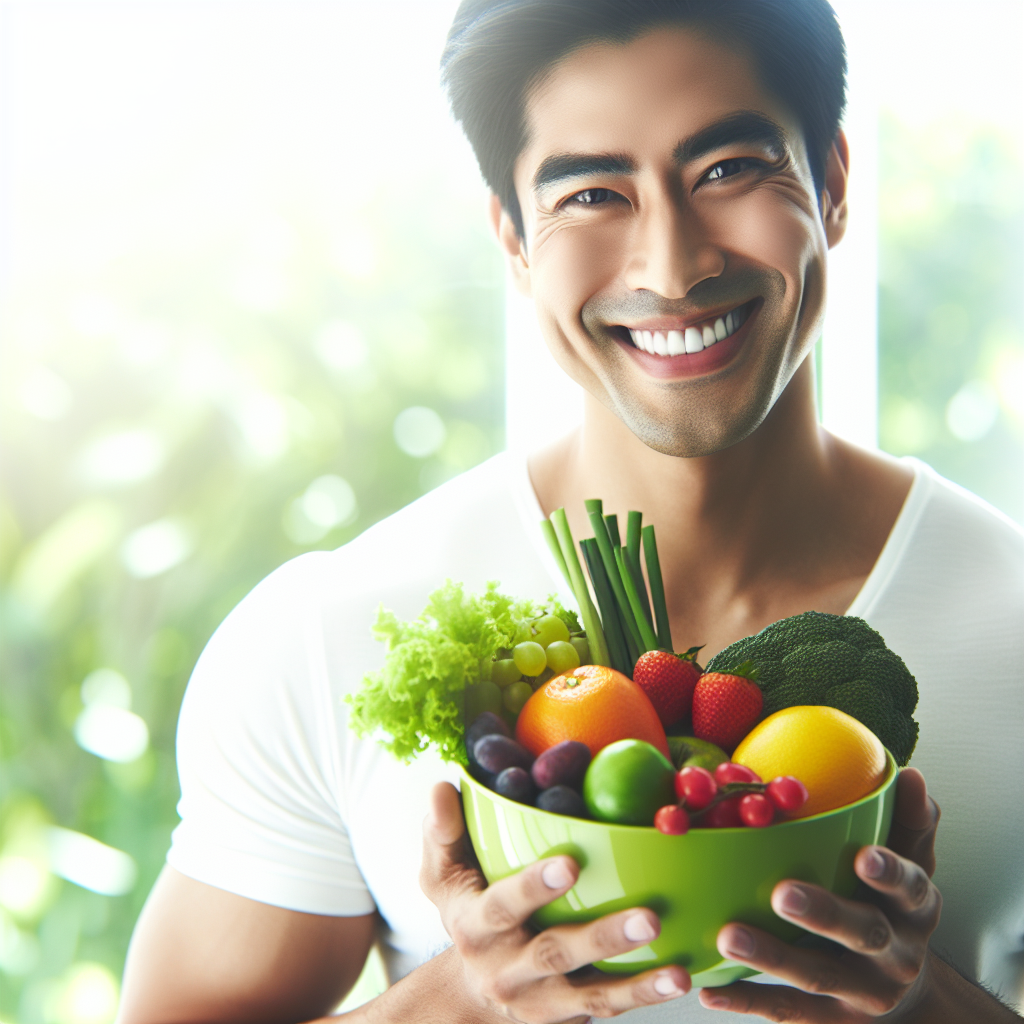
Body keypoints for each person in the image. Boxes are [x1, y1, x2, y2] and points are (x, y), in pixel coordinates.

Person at [118, 1, 1024, 1021]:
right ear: (512, 236)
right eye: (593, 193)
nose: (671, 267)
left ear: (834, 182)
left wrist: (923, 1007)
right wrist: (462, 999)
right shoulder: (328, 633)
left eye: (725, 170)